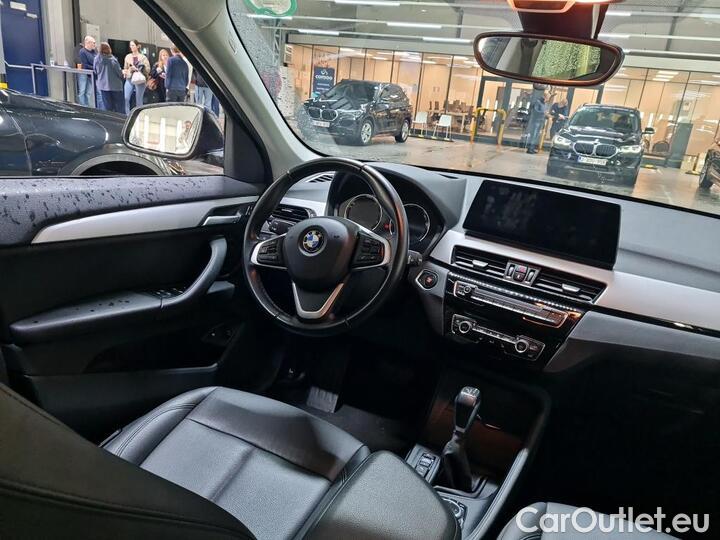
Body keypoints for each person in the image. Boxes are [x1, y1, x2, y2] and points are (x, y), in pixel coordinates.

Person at [93, 42, 125, 114]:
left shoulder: (96, 59)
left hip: (103, 86)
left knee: (107, 108)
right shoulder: (112, 60)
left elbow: (95, 71)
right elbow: (119, 73)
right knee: (119, 108)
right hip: (115, 87)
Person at [123, 40, 150, 114]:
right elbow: (125, 68)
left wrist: (139, 69)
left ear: (137, 46)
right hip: (129, 78)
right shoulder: (128, 57)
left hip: (140, 79)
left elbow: (148, 69)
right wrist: (129, 69)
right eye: (130, 45)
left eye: (133, 45)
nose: (131, 47)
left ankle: (139, 115)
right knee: (126, 98)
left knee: (139, 99)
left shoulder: (143, 57)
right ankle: (127, 115)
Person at [525, 88, 553, 154]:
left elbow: (543, 111)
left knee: (536, 136)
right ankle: (530, 149)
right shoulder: (538, 102)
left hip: (540, 121)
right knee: (533, 135)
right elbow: (535, 111)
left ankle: (532, 148)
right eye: (548, 97)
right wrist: (544, 113)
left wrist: (547, 115)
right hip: (535, 121)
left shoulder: (545, 103)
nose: (548, 99)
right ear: (545, 96)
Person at [76, 36, 97, 107]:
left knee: (88, 92)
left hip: (91, 75)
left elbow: (97, 62)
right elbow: (85, 65)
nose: (94, 44)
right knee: (82, 91)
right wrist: (94, 68)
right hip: (84, 73)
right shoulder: (82, 51)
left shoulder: (94, 52)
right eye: (93, 43)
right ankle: (83, 106)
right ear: (88, 43)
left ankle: (88, 107)